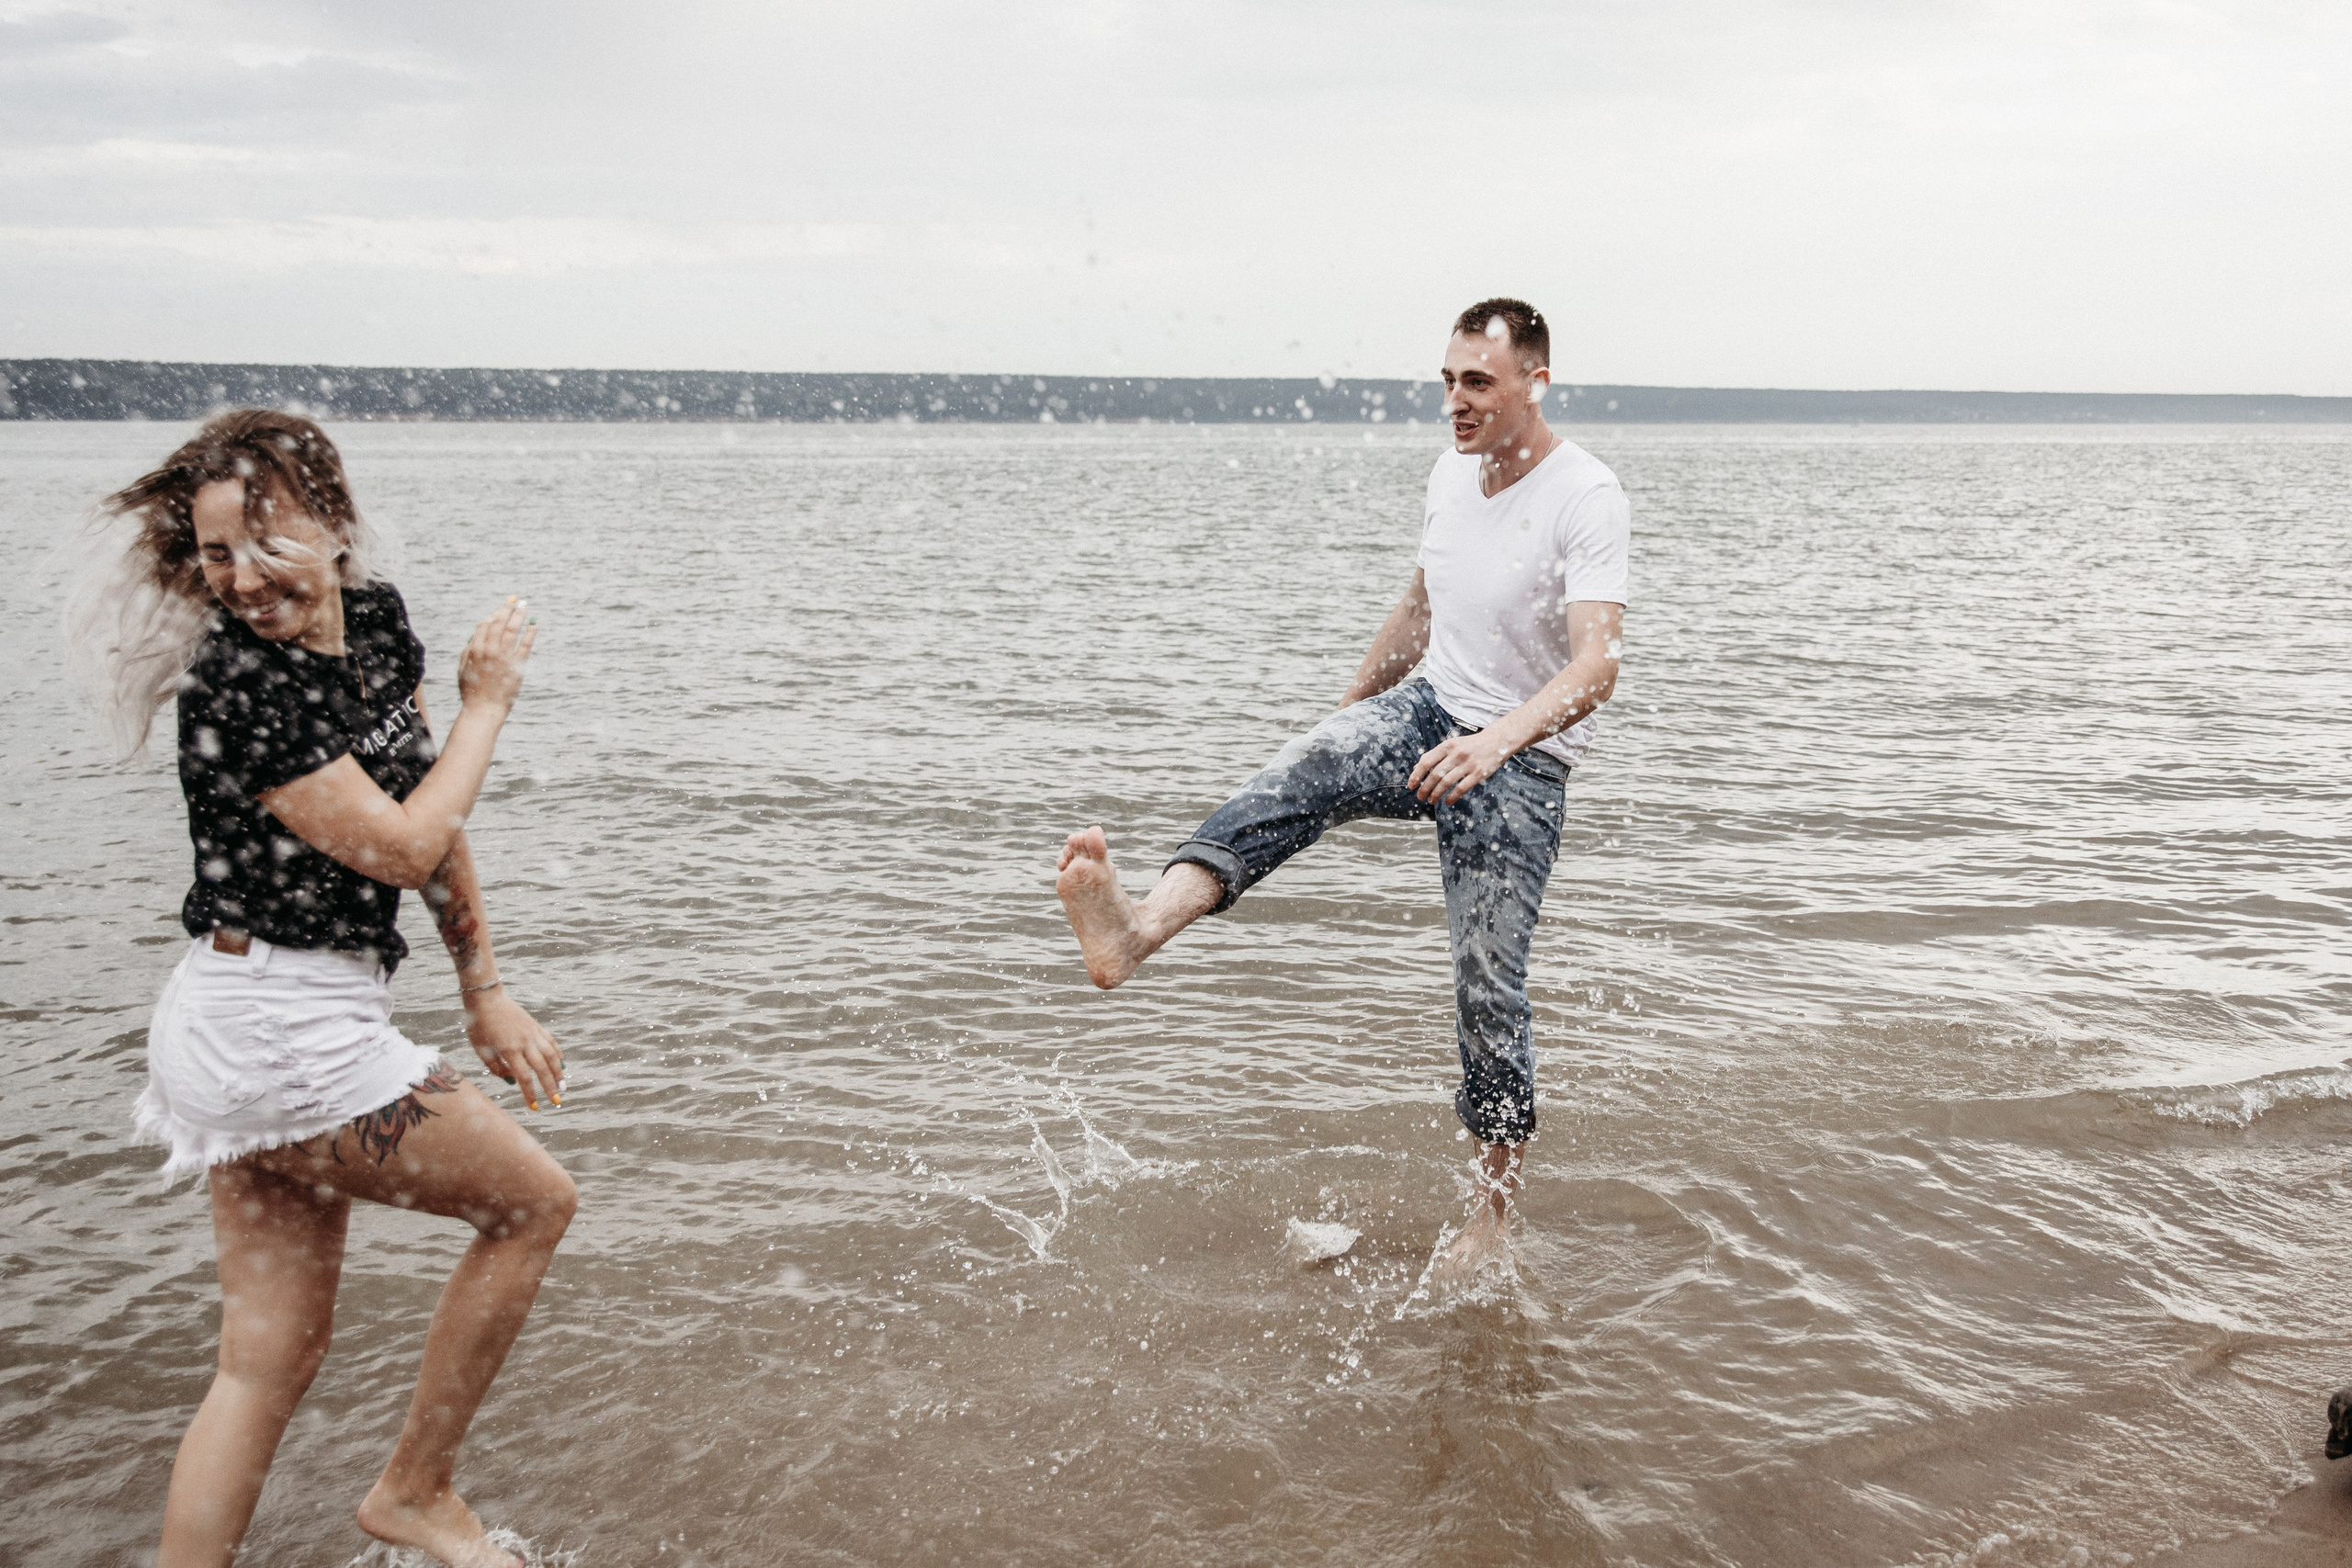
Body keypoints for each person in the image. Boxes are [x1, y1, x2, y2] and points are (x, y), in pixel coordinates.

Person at [69, 410, 575, 1568]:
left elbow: (435, 811)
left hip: (267, 1022)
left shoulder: (379, 625)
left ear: (334, 528)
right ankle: (417, 1490)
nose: (243, 578)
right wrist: (490, 704)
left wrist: (483, 989)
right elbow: (400, 846)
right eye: (215, 554)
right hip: (274, 1028)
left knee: (266, 1360)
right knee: (532, 1205)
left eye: (268, 541)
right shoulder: (239, 686)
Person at [1055, 299, 1629, 1283]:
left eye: (1477, 382)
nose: (1455, 400)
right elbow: (1418, 604)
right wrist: (1341, 719)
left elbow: (1596, 668)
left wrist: (1494, 743)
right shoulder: (1450, 474)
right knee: (1292, 777)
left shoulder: (1586, 493)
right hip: (1426, 712)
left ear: (1534, 381)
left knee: (1487, 986)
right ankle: (1135, 929)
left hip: (1522, 760)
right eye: (1448, 379)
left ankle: (1491, 1217)